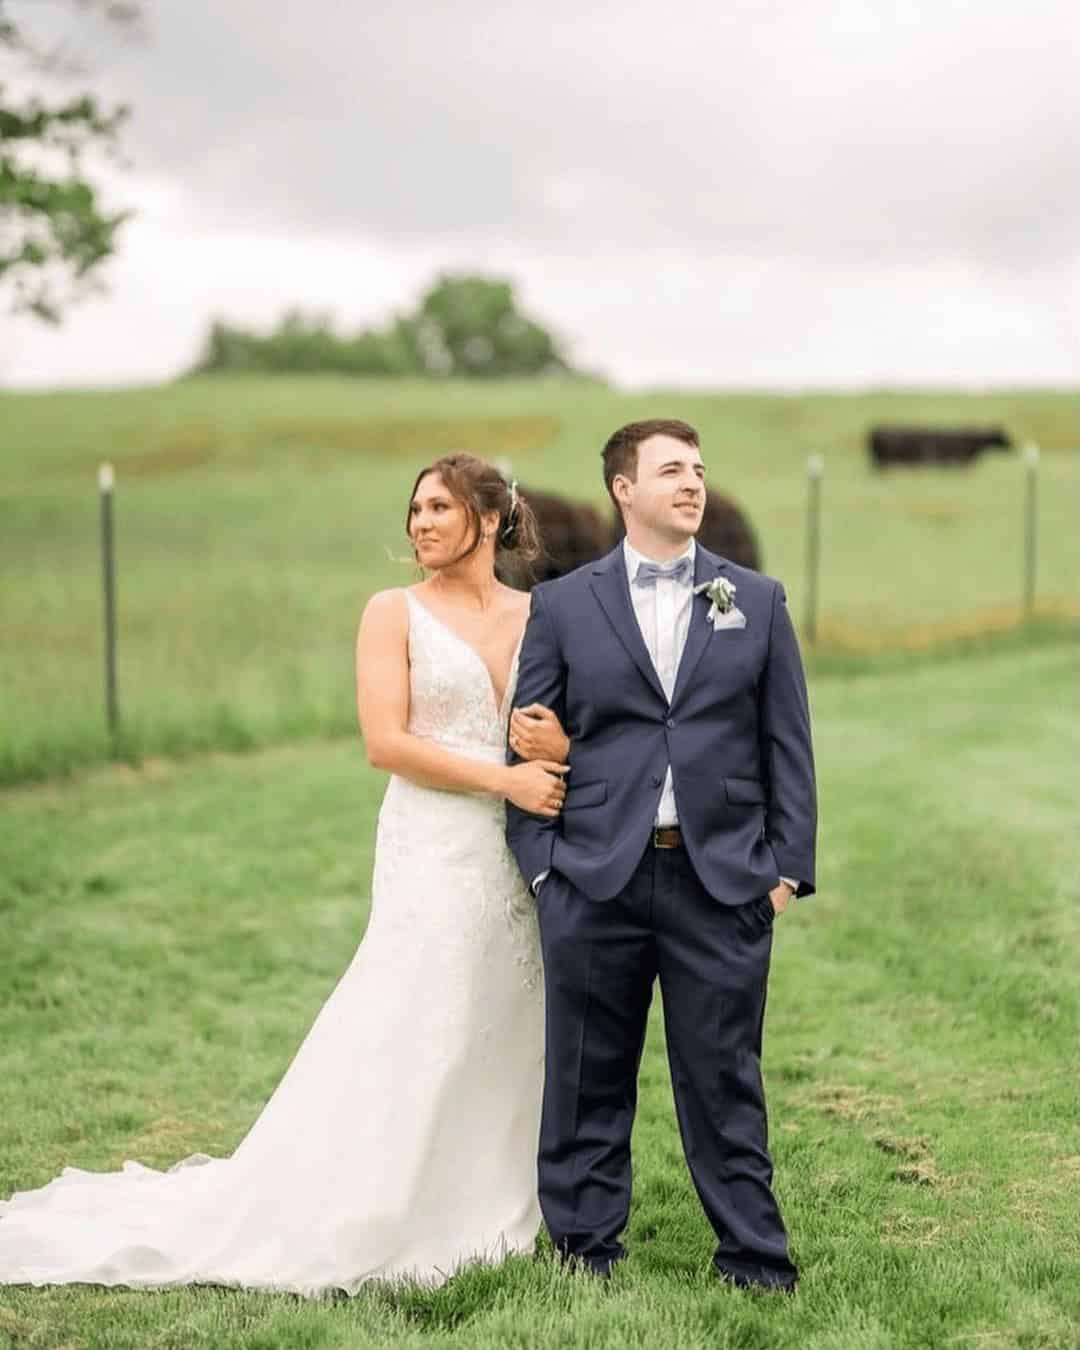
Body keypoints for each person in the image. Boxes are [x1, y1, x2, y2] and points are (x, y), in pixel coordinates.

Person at [0, 453, 571, 1296]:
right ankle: (384, 1203)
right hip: (435, 841)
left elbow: (571, 715)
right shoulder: (392, 613)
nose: (418, 523)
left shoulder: (543, 613)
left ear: (490, 521)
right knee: (427, 1004)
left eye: (438, 508)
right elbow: (387, 743)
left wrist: (555, 751)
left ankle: (496, 1195)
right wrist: (505, 777)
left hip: (519, 847)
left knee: (509, 1008)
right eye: (413, 508)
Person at [506, 419, 816, 1291]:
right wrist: (544, 868)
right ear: (623, 489)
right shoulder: (562, 604)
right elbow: (526, 745)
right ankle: (584, 1253)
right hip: (594, 876)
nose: (692, 483)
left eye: (700, 469)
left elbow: (786, 743)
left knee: (725, 1080)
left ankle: (754, 1259)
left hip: (719, 881)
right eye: (670, 469)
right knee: (584, 1076)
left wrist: (785, 872)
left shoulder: (754, 600)